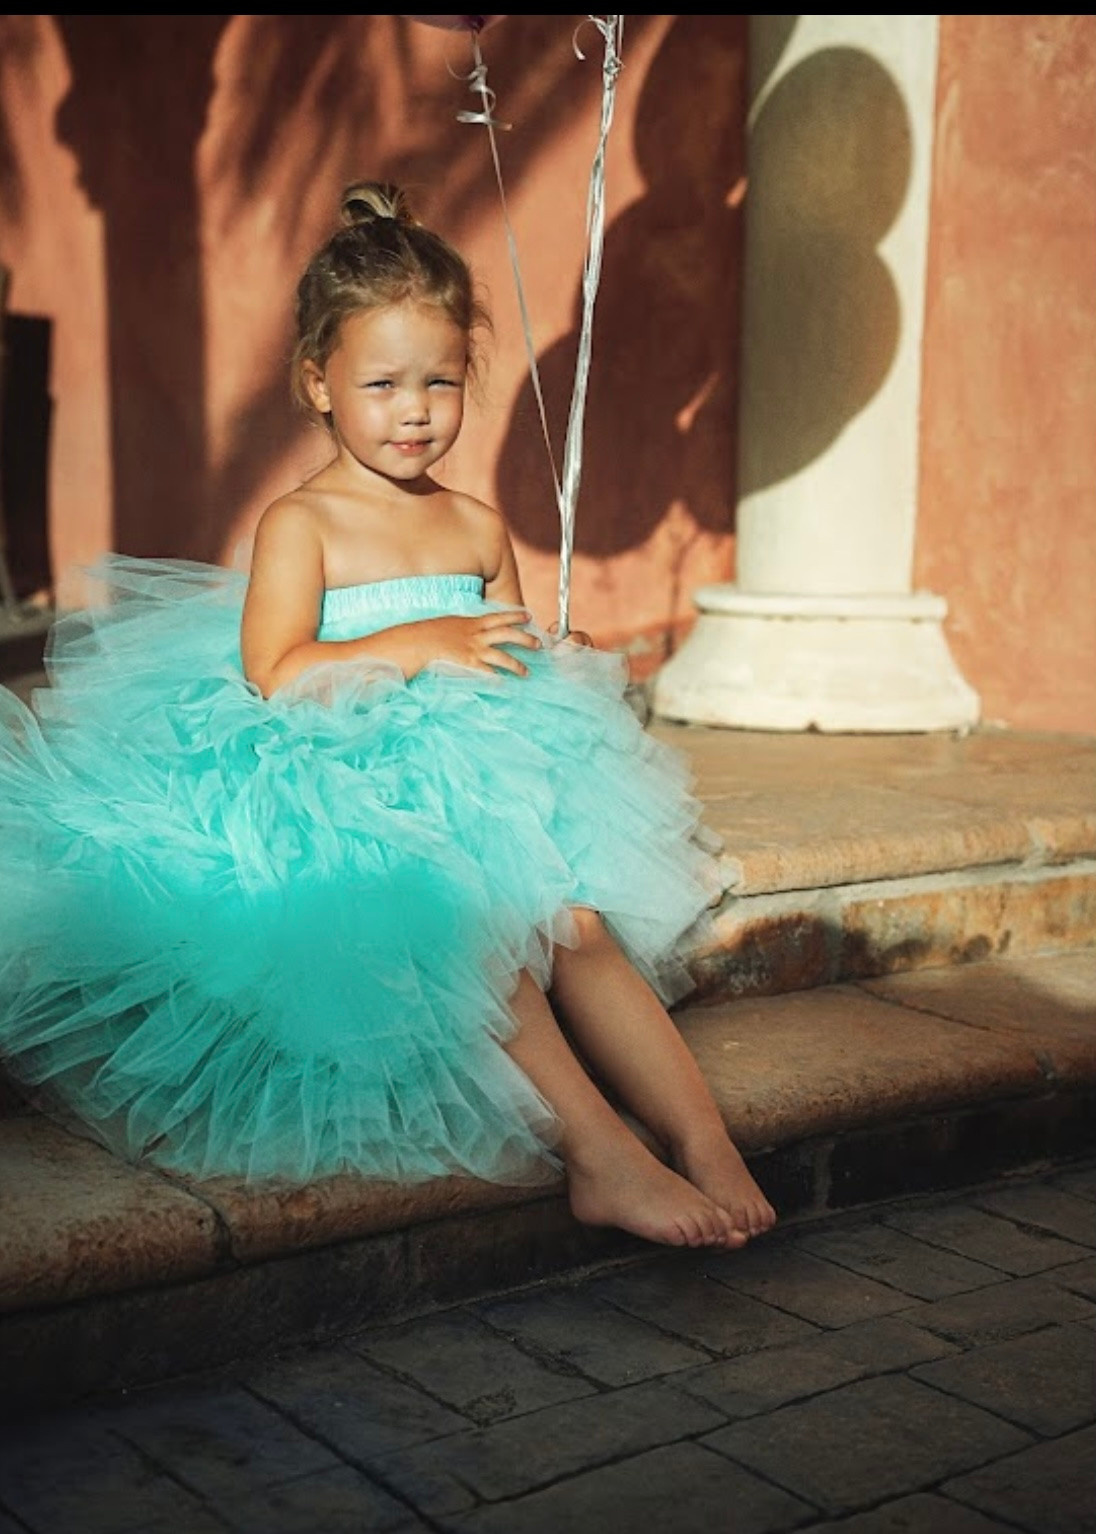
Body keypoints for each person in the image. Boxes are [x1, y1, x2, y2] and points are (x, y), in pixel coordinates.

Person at [0, 181, 775, 1250]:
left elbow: (500, 642)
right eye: (381, 384)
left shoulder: (472, 523)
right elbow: (275, 668)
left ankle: (704, 1138)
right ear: (318, 383)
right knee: (483, 933)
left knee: (579, 927)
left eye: (440, 382)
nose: (415, 411)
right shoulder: (303, 523)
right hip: (344, 779)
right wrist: (417, 644)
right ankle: (599, 1151)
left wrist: (544, 657)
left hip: (482, 778)